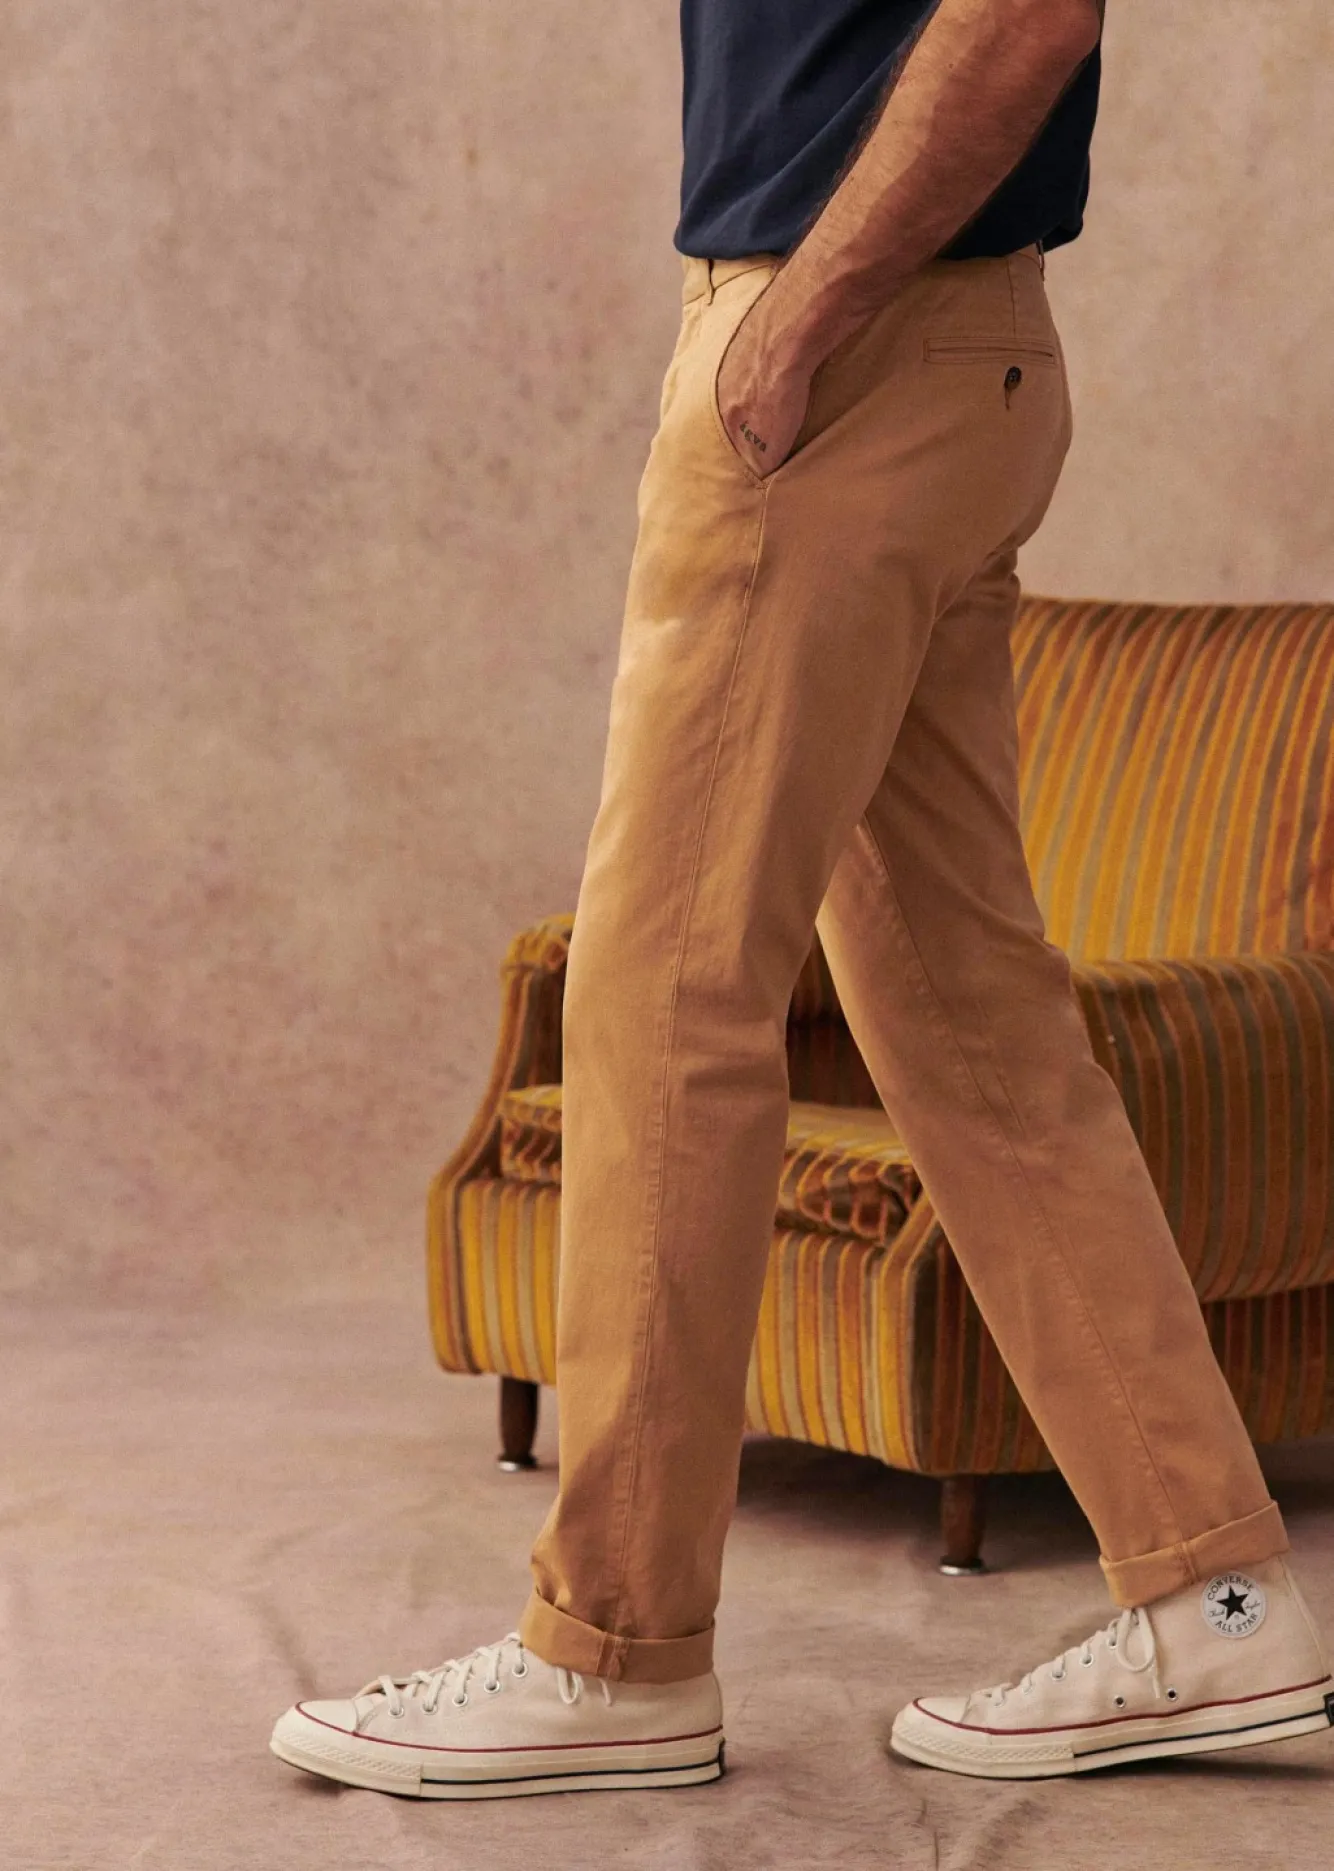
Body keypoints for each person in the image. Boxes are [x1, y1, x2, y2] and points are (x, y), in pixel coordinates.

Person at [271, 0, 1334, 1797]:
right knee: (972, 1026)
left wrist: (795, 322)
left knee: (662, 994)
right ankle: (1213, 1600)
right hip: (940, 352)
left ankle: (611, 1649)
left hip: (838, 355)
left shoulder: (816, 329)